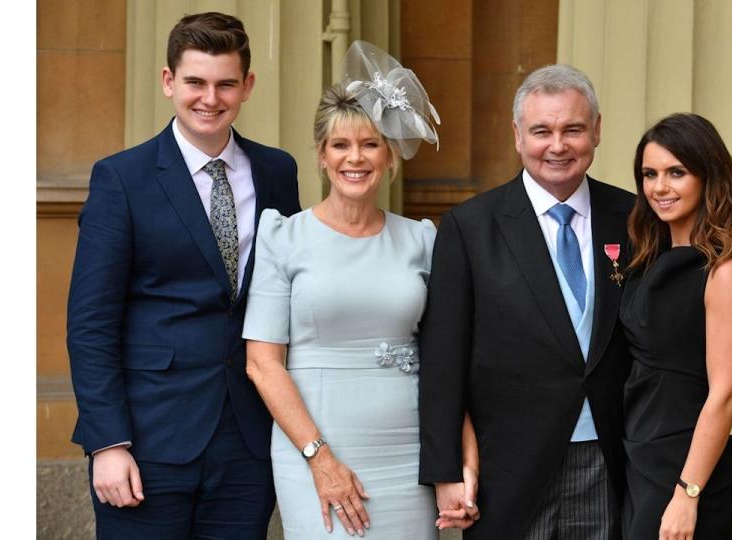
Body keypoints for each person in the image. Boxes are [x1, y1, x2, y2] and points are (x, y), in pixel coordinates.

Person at [66, 12, 300, 538]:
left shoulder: (277, 172)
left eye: (225, 84)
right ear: (170, 81)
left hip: (247, 440)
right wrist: (108, 443)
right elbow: (91, 323)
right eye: (195, 81)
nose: (209, 98)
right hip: (147, 440)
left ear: (247, 87)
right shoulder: (121, 178)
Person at [242, 40, 470, 539]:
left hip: (410, 454)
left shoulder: (423, 239)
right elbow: (262, 363)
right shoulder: (283, 237)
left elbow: (450, 361)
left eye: (370, 144)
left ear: (389, 156)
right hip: (316, 450)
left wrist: (460, 462)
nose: (355, 158)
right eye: (341, 145)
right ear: (322, 156)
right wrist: (319, 459)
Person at [418, 64, 636, 539]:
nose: (557, 146)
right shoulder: (469, 228)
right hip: (509, 471)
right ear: (518, 135)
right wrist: (446, 470)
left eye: (573, 129)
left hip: (609, 460)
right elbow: (442, 359)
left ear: (596, 131)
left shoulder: (635, 219)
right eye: (542, 131)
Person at [619, 113, 732, 539]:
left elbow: (726, 395)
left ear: (708, 176)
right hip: (640, 458)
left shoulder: (726, 272)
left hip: (687, 468)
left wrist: (688, 492)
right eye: (650, 174)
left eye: (676, 173)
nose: (659, 188)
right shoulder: (649, 259)